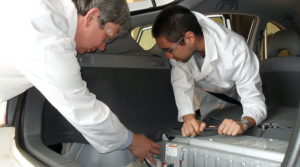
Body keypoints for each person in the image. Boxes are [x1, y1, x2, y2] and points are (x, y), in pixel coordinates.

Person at [0, 0, 159, 163]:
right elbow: (84, 111)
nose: (102, 47)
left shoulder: (47, 11)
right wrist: (133, 141)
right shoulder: (49, 40)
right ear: (92, 17)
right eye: (106, 37)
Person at [152, 5, 267, 137]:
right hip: (204, 97)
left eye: (169, 50)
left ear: (189, 38)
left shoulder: (236, 50)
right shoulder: (179, 36)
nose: (168, 56)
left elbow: (254, 102)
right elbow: (181, 81)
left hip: (233, 98)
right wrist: (189, 119)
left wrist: (243, 123)